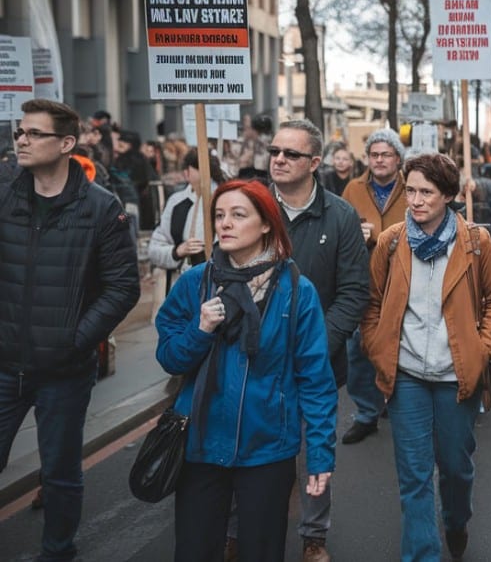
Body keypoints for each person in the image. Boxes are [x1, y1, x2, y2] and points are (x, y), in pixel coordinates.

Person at [155, 179, 338, 562]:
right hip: (201, 446)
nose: (225, 224)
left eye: (238, 215)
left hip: (267, 448)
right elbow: (170, 358)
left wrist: (319, 455)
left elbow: (316, 382)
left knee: (261, 551)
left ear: (267, 223)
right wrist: (199, 331)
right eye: (219, 215)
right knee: (194, 551)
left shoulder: (295, 290)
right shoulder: (195, 282)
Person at [0, 100, 141, 561]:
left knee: (59, 474)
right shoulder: (4, 193)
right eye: (19, 132)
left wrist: (74, 341)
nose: (21, 140)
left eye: (33, 134)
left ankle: (58, 552)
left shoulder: (101, 208)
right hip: (5, 364)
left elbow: (123, 288)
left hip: (64, 371)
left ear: (65, 144)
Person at [360, 152, 491, 562]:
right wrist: (377, 347)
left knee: (456, 467)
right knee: (414, 478)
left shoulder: (476, 243)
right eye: (409, 190)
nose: (416, 200)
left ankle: (456, 520)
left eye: (426, 192)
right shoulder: (391, 242)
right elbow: (371, 303)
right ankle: (423, 554)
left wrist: (484, 349)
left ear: (447, 195)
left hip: (456, 376)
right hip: (405, 375)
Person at [259, 118, 370, 561]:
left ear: (315, 162)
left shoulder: (340, 215)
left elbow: (353, 291)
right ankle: (239, 530)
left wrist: (314, 346)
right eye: (274, 151)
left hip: (315, 364)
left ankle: (313, 537)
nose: (279, 159)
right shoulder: (253, 206)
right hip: (254, 359)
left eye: (291, 154)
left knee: (312, 454)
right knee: (255, 452)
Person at [339, 128, 407, 445]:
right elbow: (340, 231)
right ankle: (367, 413)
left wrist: (383, 239)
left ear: (398, 158)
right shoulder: (353, 189)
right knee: (359, 349)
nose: (379, 160)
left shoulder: (413, 186)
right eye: (374, 154)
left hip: (405, 280)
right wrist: (356, 233)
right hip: (363, 282)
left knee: (402, 346)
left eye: (386, 154)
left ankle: (397, 403)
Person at [148, 149, 227, 291]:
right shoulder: (177, 202)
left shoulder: (226, 200)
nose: (186, 173)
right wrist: (177, 252)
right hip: (181, 283)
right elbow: (154, 248)